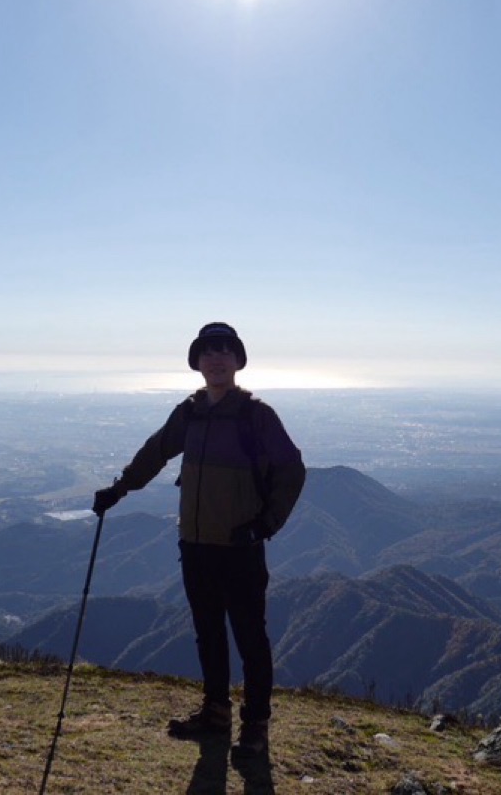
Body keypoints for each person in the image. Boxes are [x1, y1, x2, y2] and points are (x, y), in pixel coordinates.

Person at [92, 322, 305, 757]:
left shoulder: (256, 415)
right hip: (195, 543)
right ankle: (215, 714)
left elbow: (292, 470)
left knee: (250, 637)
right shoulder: (189, 414)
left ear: (238, 361)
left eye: (226, 350)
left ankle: (256, 725)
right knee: (207, 631)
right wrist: (119, 489)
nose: (217, 357)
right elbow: (156, 452)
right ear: (197, 362)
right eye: (209, 351)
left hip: (241, 546)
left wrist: (266, 525)